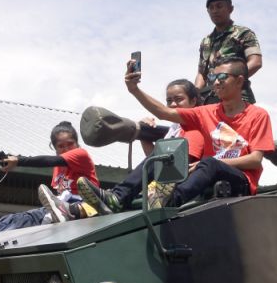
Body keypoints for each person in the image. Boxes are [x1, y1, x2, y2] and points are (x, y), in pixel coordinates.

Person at [89, 56, 272, 210]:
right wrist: (134, 90)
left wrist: (213, 162)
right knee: (161, 155)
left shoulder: (258, 115)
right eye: (213, 77)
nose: (216, 82)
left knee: (210, 162)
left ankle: (169, 200)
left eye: (222, 77)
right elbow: (164, 112)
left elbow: (255, 160)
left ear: (239, 80)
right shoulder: (206, 112)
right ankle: (117, 198)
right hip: (205, 173)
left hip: (241, 181)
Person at [77, 79, 206, 212]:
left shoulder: (195, 128)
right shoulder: (175, 128)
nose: (173, 104)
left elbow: (177, 167)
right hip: (162, 182)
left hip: (178, 184)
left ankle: (118, 196)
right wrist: (144, 136)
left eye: (179, 99)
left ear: (193, 101)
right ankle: (75, 210)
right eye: (169, 101)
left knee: (159, 161)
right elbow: (153, 164)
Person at [0, 120, 98, 233]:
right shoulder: (58, 168)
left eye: (70, 144)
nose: (66, 149)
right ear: (54, 148)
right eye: (61, 146)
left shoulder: (81, 155)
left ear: (77, 144)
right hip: (61, 205)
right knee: (21, 217)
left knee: (33, 220)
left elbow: (48, 161)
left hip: (84, 205)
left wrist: (18, 161)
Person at [195, 0, 262, 105]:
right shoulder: (206, 41)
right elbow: (201, 73)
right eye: (211, 8)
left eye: (219, 6)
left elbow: (256, 62)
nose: (215, 11)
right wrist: (195, 94)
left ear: (230, 9)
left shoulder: (243, 33)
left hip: (238, 100)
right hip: (210, 101)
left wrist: (228, 81)